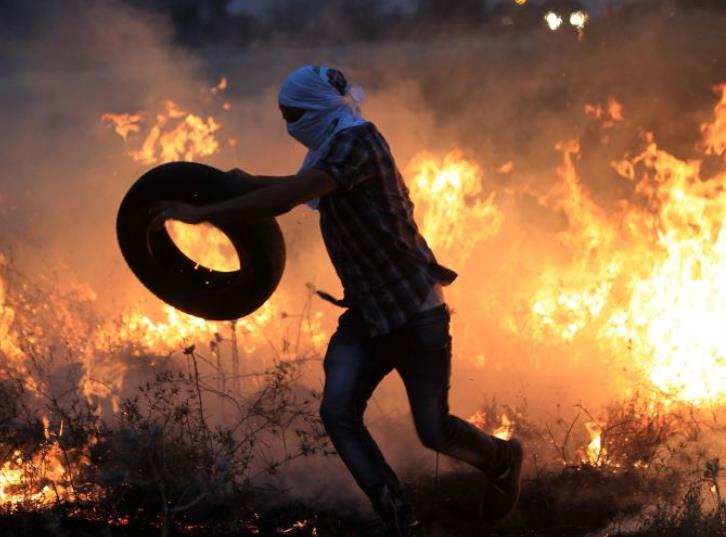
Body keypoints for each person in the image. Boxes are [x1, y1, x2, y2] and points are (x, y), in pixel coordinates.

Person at [151, 65, 523, 536]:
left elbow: (291, 196)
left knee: (434, 432)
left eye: (293, 115)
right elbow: (295, 184)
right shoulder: (332, 145)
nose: (289, 125)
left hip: (414, 311)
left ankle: (503, 459)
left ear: (318, 110)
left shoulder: (357, 141)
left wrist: (203, 213)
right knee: (337, 412)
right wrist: (245, 180)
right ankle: (397, 516)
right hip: (368, 315)